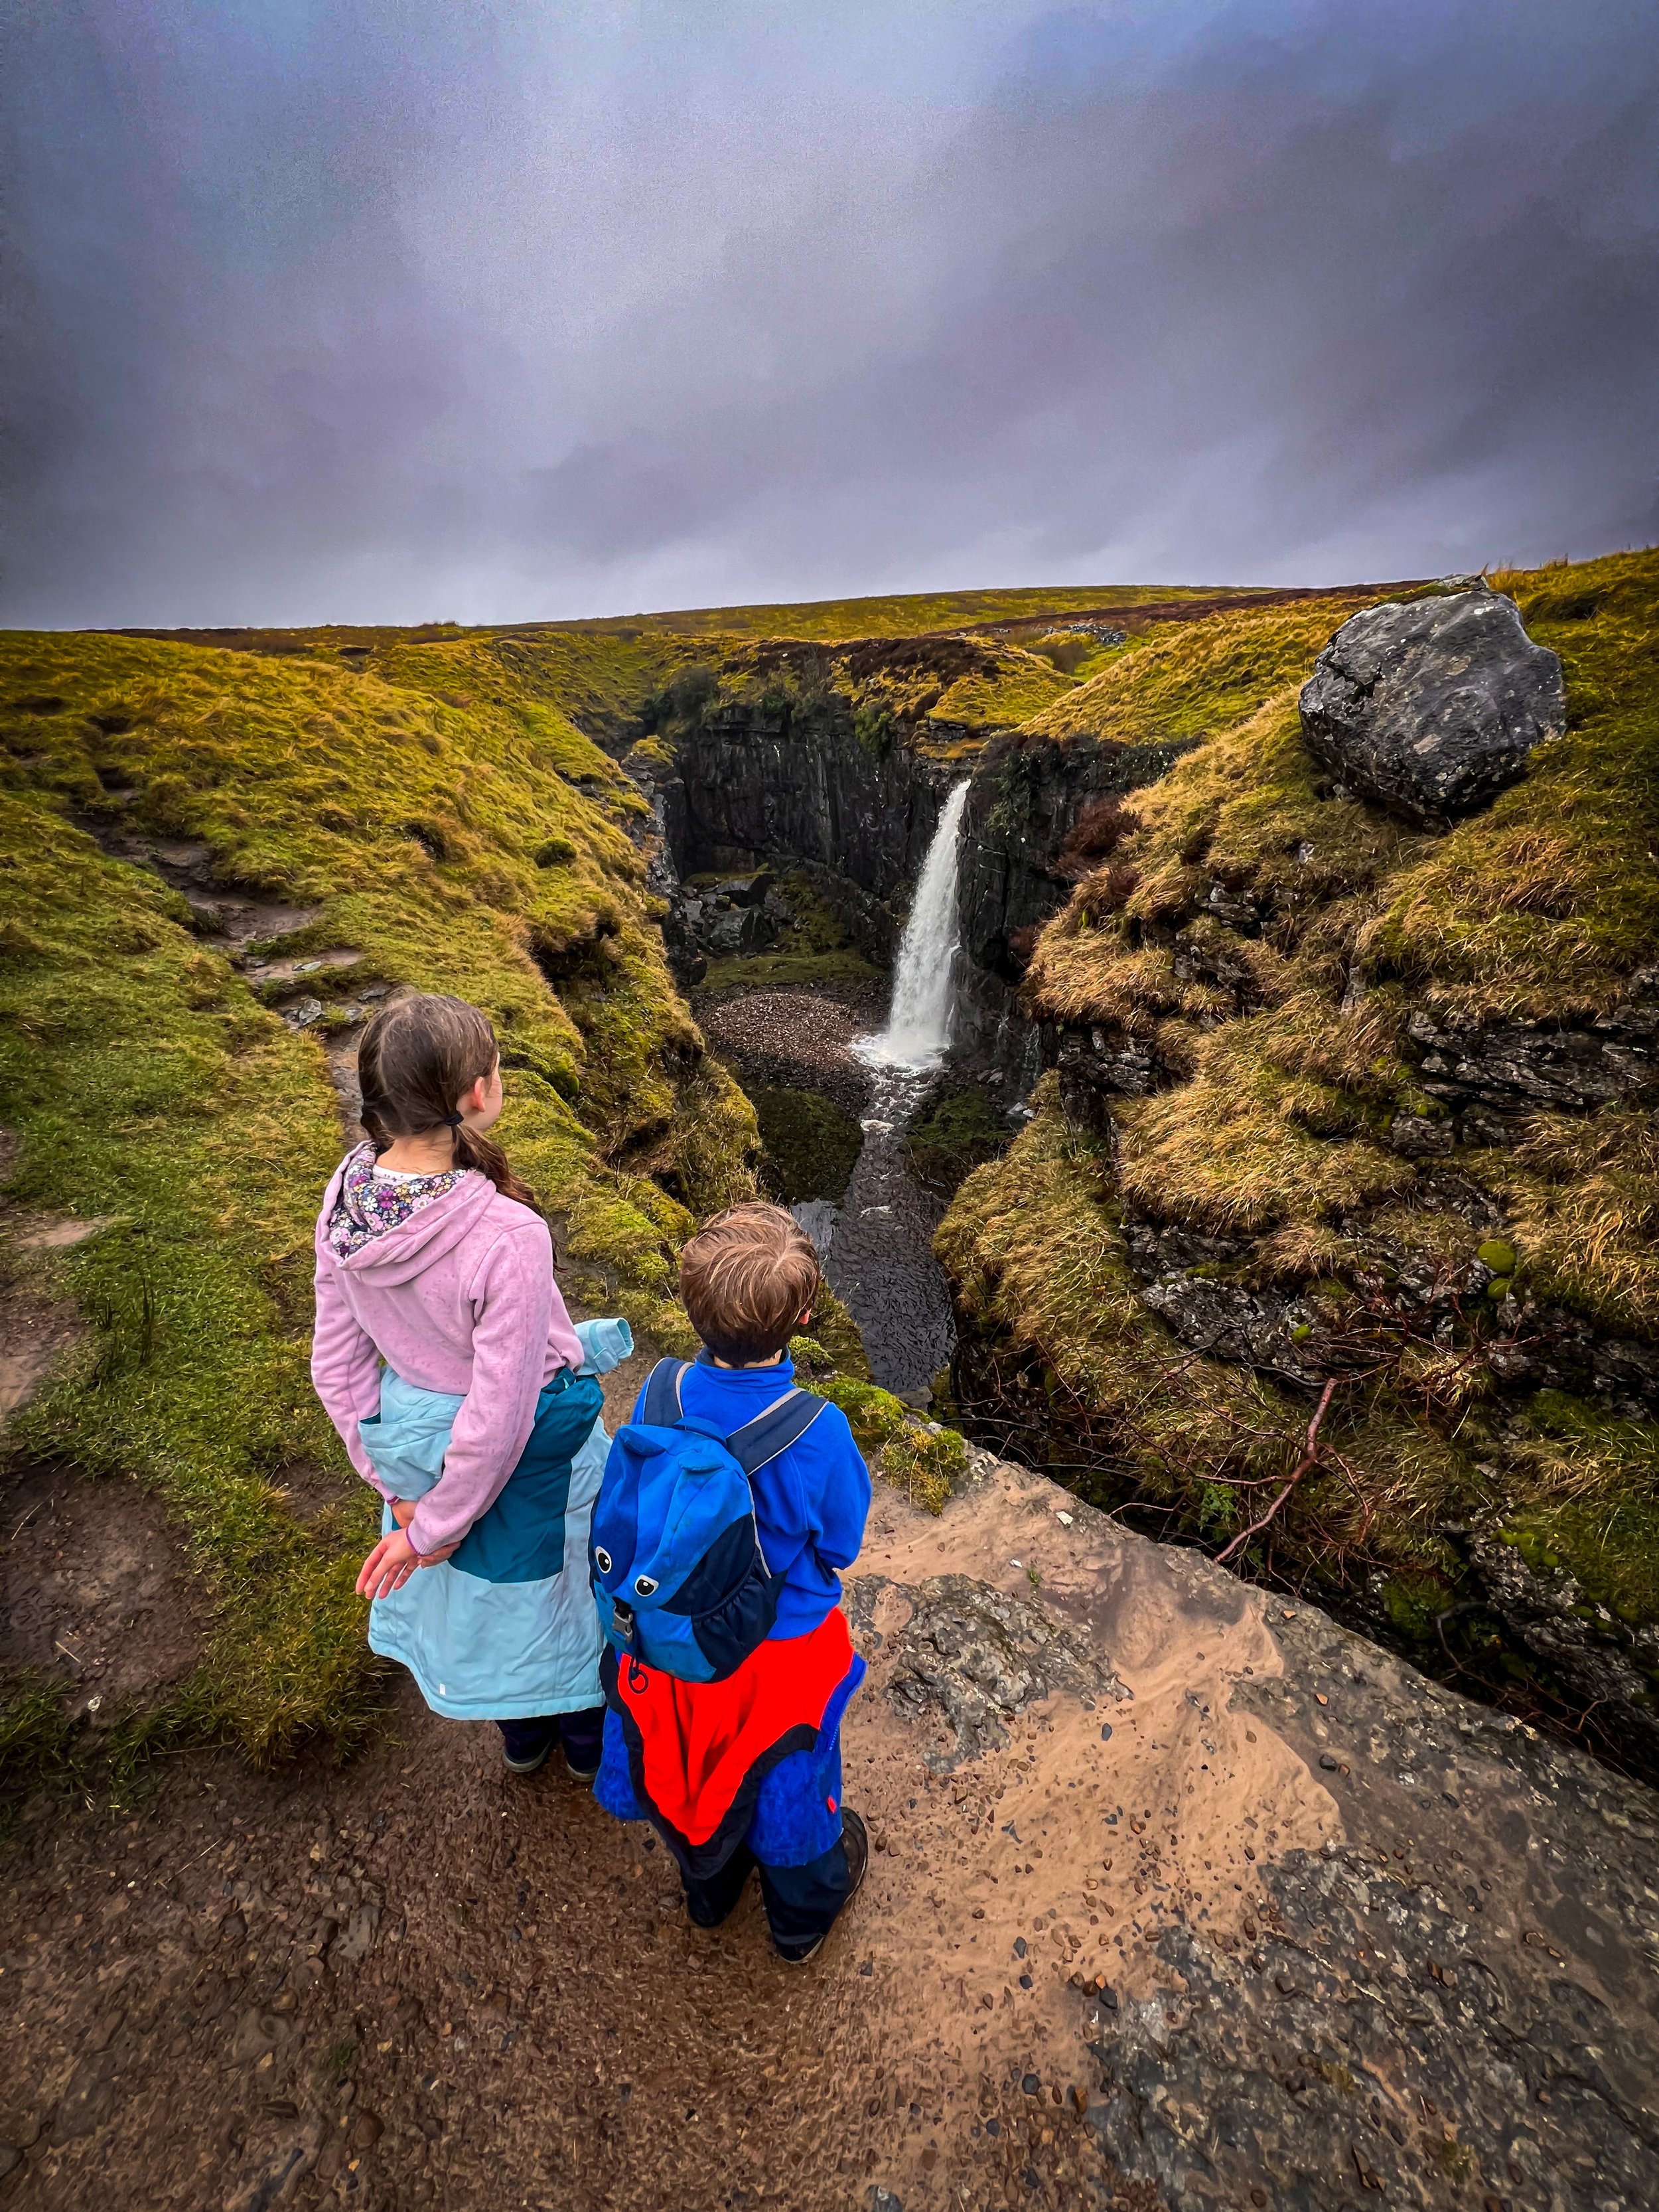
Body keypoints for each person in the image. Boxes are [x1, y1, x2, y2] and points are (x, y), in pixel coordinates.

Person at [310, 992, 628, 1779]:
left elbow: (336, 1362)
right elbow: (501, 1409)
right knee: (557, 1584)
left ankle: (520, 1743)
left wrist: (396, 1485)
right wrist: (439, 1526)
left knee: (483, 1601)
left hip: (414, 1441)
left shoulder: (347, 1198)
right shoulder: (508, 1235)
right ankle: (585, 1750)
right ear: (478, 1095)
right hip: (527, 1455)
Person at [593, 1202, 872, 1963]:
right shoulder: (818, 1429)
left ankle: (708, 1892)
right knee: (786, 1770)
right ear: (805, 1317)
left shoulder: (657, 1387)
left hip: (671, 1631)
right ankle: (797, 1921)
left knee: (690, 1761)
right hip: (780, 1649)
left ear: (692, 1308)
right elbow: (841, 1544)